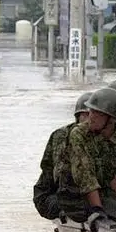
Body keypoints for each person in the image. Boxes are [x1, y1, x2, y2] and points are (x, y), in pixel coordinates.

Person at [55, 87, 116, 226]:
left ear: (111, 118)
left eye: (96, 113)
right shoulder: (78, 134)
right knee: (114, 219)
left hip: (104, 193)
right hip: (73, 194)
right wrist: (97, 210)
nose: (90, 116)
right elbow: (85, 176)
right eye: (90, 111)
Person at [33, 92, 93, 220]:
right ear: (78, 117)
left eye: (92, 116)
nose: (88, 120)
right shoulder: (61, 136)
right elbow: (55, 174)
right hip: (59, 196)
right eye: (85, 115)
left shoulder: (106, 136)